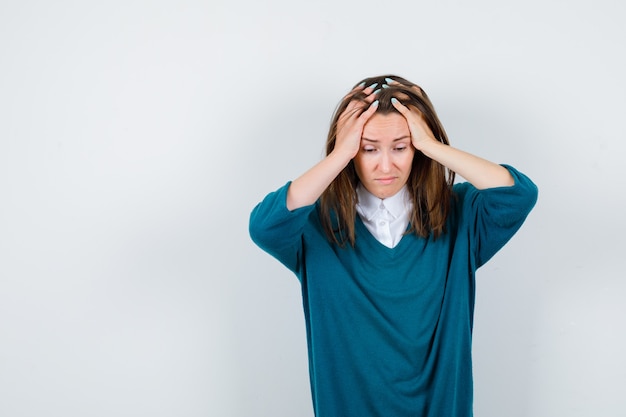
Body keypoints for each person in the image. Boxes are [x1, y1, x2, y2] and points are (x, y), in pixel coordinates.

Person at [249, 75, 538, 417]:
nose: (386, 166)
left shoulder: (461, 215)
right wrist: (340, 152)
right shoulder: (314, 225)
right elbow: (264, 226)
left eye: (401, 147)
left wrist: (432, 145)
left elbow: (518, 195)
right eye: (368, 149)